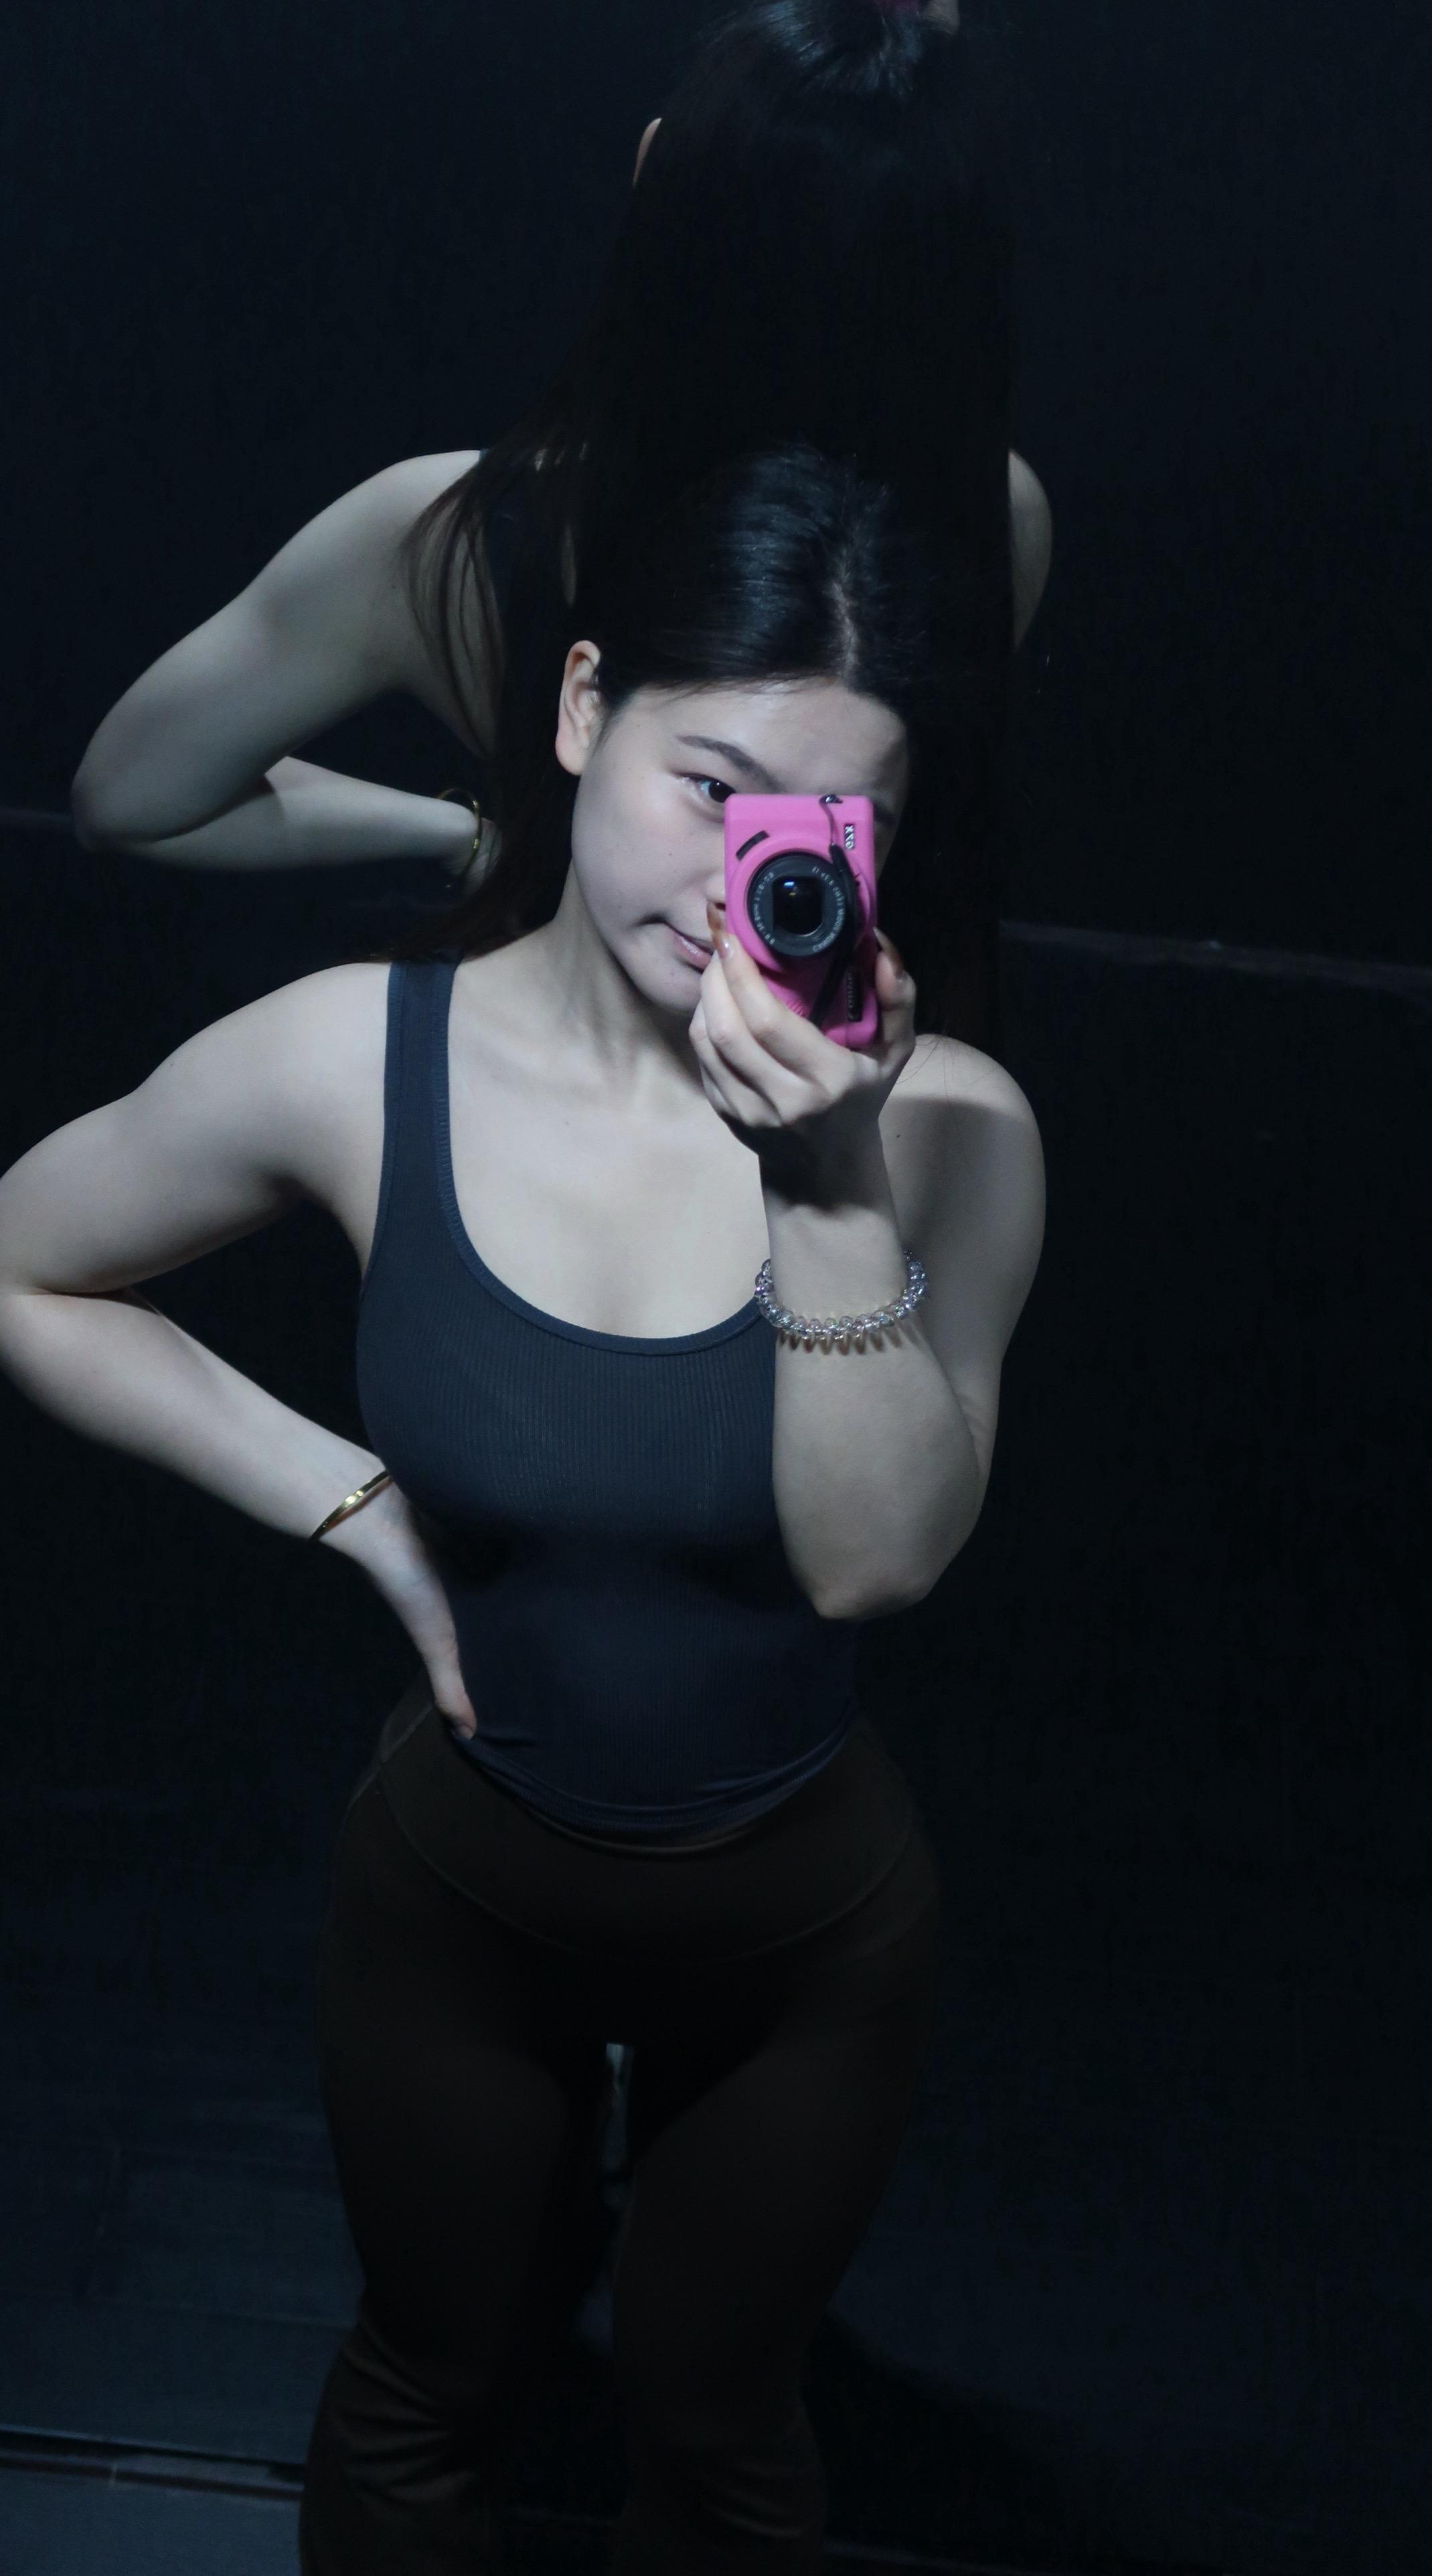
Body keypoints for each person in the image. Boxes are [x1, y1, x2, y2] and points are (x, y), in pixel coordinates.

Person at [0, 441, 1047, 2571]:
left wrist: (828, 1185)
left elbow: (876, 1559)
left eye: (821, 822)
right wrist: (351, 1501)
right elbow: (23, 1257)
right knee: (427, 2391)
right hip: (461, 1910)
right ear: (579, 710)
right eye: (705, 782)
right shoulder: (360, 1058)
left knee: (720, 2430)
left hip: (802, 1941)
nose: (741, 873)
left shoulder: (948, 1125)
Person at [69, 0, 1051, 1058]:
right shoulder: (994, 520)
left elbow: (133, 794)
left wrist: (465, 835)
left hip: (557, 1103)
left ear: (652, 170)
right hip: (871, 1099)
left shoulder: (460, 541)